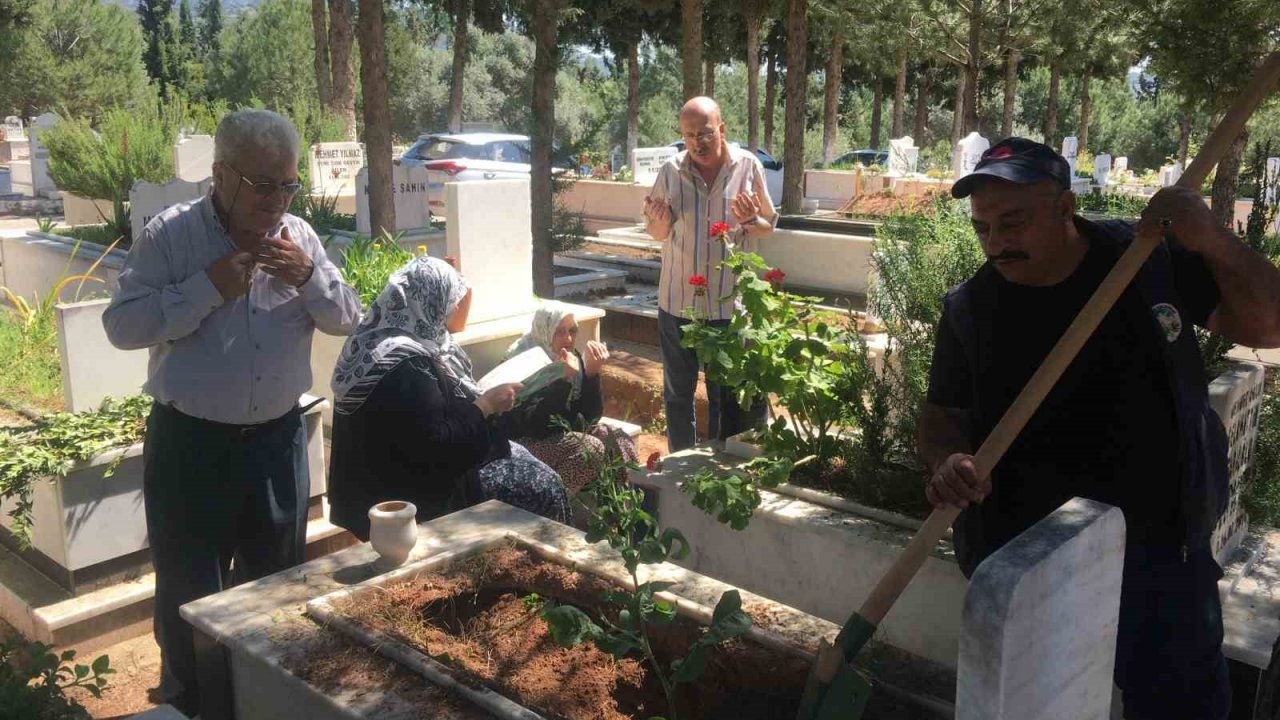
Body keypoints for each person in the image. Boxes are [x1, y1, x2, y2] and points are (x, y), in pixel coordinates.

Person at [919, 137, 1280, 719]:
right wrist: (947, 461)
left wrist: (1211, 237)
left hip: (1163, 553)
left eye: (1014, 222)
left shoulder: (1143, 260)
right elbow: (942, 418)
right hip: (1035, 561)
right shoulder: (971, 310)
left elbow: (1272, 322)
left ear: (1065, 209)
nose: (997, 243)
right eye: (983, 228)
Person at [102, 109, 362, 714]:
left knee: (277, 583)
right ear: (220, 174)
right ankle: (195, 702)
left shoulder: (303, 238)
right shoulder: (172, 236)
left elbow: (347, 316)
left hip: (275, 443)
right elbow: (121, 325)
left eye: (287, 185)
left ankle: (266, 699)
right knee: (190, 588)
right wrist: (207, 288)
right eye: (262, 185)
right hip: (190, 445)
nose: (276, 200)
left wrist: (310, 277)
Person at [327, 255, 573, 541]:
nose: (454, 308)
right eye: (450, 300)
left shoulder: (375, 338)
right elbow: (436, 446)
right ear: (428, 300)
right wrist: (485, 406)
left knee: (537, 470)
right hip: (410, 495)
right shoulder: (406, 363)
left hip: (379, 483)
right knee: (543, 487)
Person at [643, 96, 777, 452]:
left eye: (704, 133)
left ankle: (721, 465)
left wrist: (750, 219)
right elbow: (657, 234)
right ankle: (682, 465)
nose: (697, 143)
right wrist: (658, 221)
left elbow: (767, 226)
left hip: (728, 308)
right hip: (678, 305)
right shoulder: (670, 171)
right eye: (688, 135)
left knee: (727, 397)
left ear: (721, 130)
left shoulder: (748, 167)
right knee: (677, 394)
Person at [502, 303, 639, 493]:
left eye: (572, 331)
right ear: (545, 331)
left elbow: (589, 418)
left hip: (559, 435)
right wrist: (562, 381)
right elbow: (536, 426)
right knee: (589, 449)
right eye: (559, 332)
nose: (568, 339)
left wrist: (592, 375)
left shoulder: (570, 358)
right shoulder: (523, 361)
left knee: (618, 439)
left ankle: (619, 511)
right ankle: (552, 507)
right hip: (522, 444)